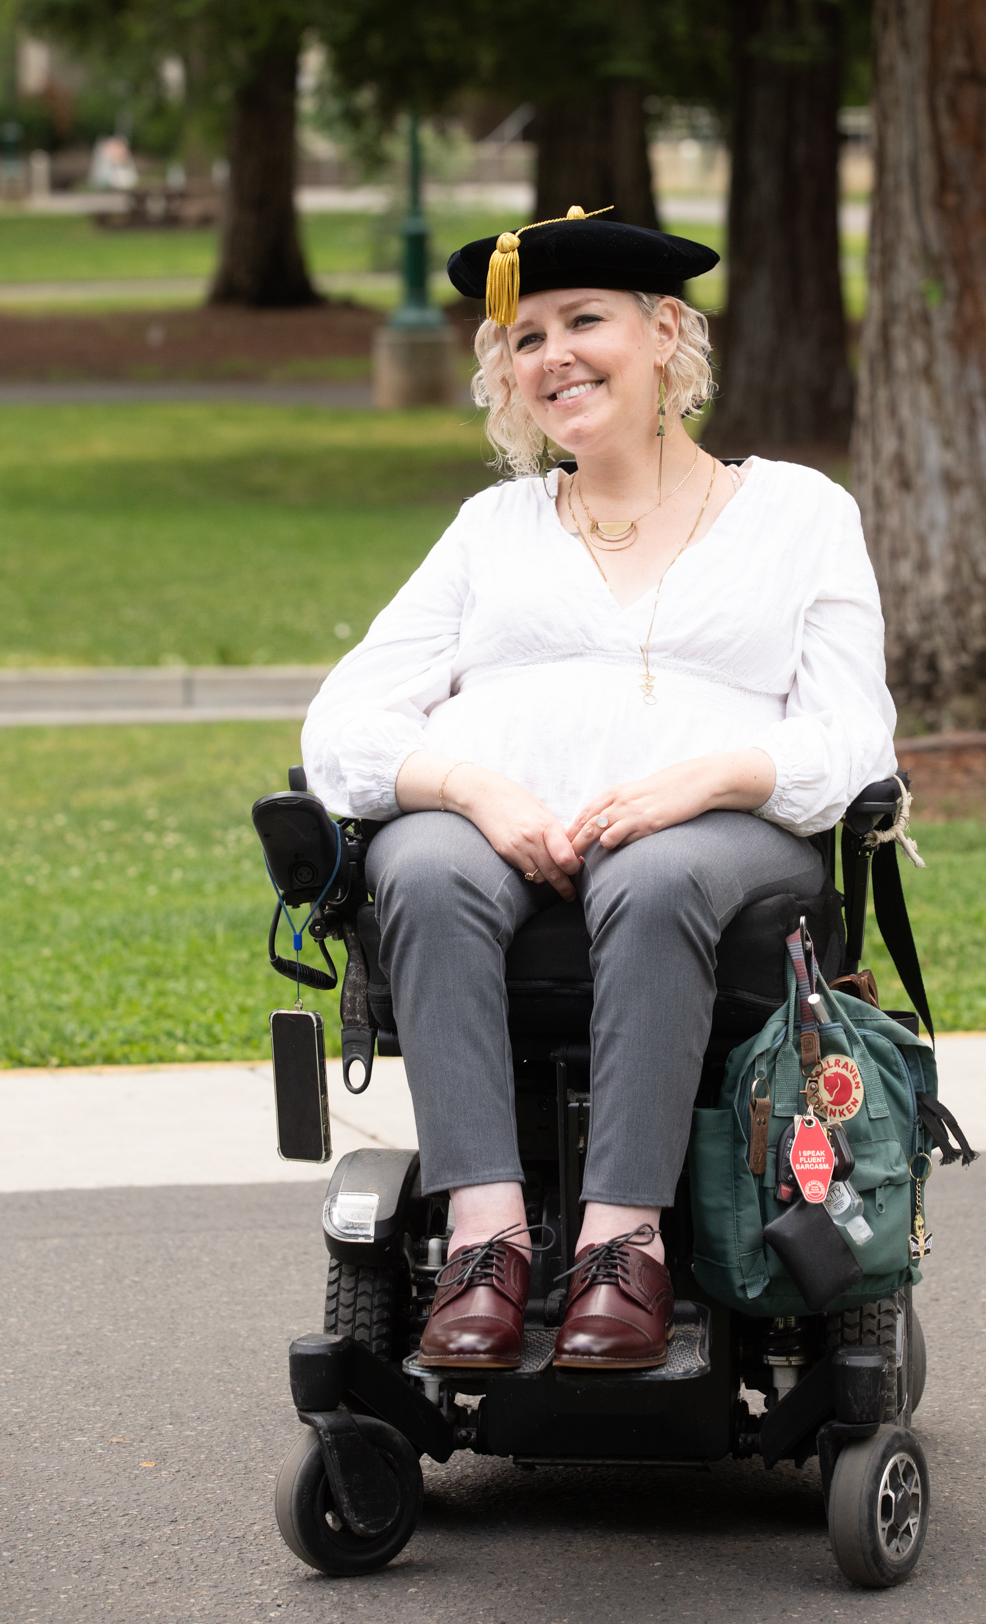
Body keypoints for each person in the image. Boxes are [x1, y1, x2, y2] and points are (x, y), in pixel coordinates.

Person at [302, 206, 897, 1372]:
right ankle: (486, 1241)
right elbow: (344, 725)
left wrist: (711, 775)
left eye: (584, 322)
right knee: (414, 863)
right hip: (505, 833)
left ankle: (623, 1249)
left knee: (655, 866)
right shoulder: (491, 532)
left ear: (665, 333)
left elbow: (850, 736)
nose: (552, 356)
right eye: (524, 339)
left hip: (723, 843)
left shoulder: (797, 514)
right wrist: (470, 787)